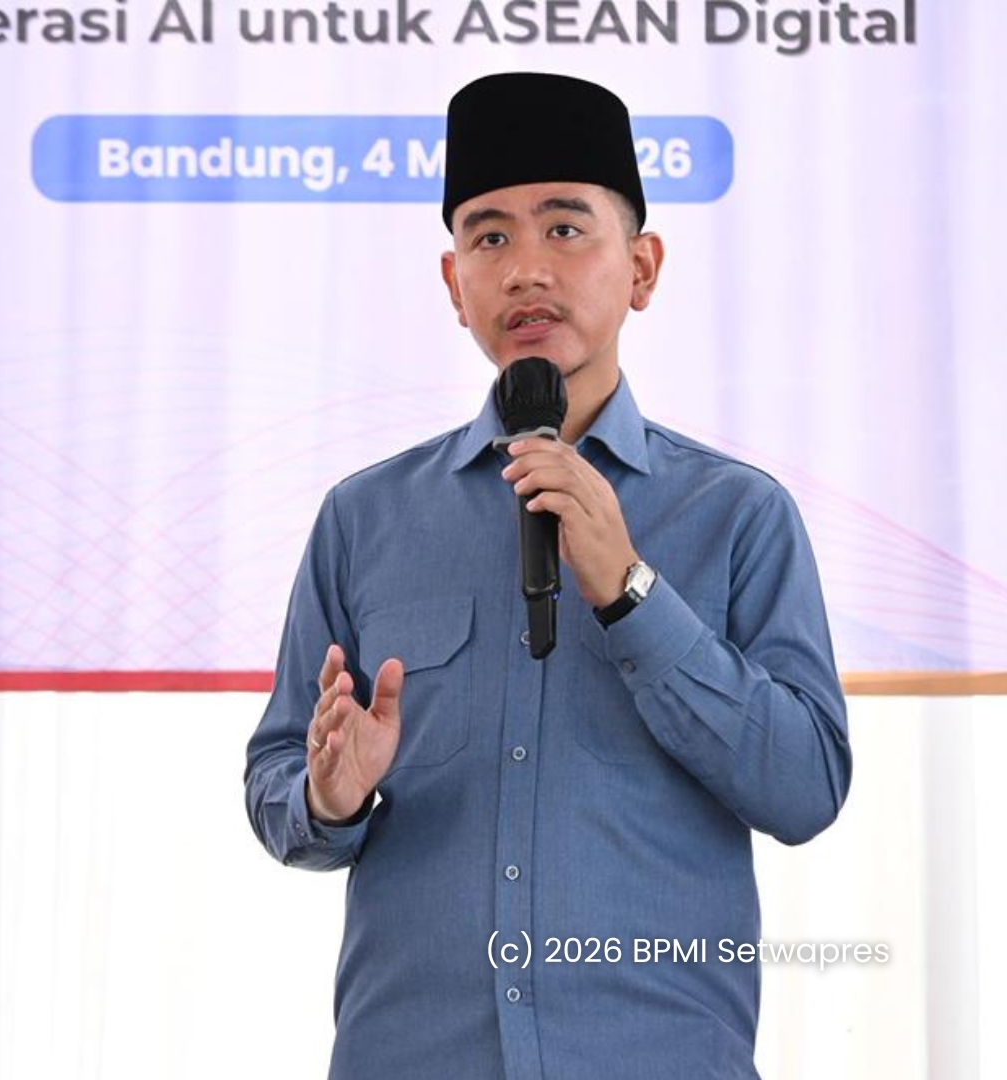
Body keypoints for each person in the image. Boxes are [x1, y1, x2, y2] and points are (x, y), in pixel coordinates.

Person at [243, 72, 851, 1079]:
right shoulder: (365, 517)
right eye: (489, 237)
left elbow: (805, 789)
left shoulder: (738, 514)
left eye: (566, 230)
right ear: (453, 285)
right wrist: (331, 796)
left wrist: (632, 590)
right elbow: (277, 787)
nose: (526, 269)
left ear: (643, 268)